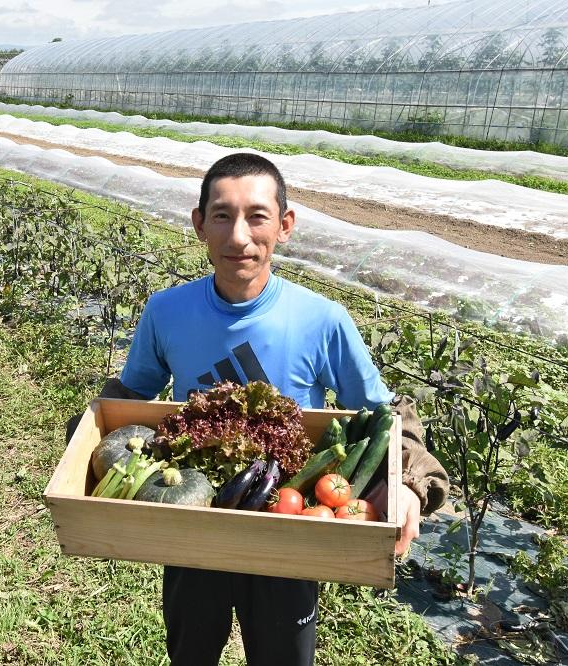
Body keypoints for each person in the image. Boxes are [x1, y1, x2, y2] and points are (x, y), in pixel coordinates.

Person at [80, 153, 449, 666]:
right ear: (199, 224)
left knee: (283, 655)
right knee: (190, 648)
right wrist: (87, 449)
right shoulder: (166, 311)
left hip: (288, 525)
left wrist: (409, 485)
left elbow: (388, 415)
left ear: (285, 225)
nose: (238, 237)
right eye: (222, 216)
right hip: (196, 518)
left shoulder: (323, 320)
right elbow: (128, 401)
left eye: (257, 216)